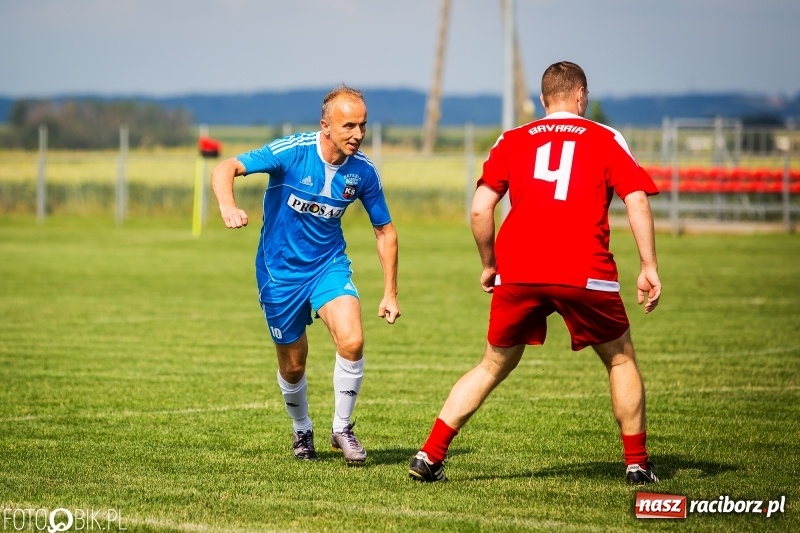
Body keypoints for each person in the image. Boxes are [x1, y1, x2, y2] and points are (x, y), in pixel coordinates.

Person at [409, 61, 661, 485]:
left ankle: (429, 455)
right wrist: (649, 266)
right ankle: (636, 464)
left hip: (519, 270)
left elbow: (479, 208)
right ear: (581, 96)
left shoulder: (511, 139)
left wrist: (490, 264)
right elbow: (636, 200)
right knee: (619, 358)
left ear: (544, 100)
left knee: (491, 365)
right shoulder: (605, 137)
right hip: (584, 268)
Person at [211, 84, 400, 465]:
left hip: (328, 266)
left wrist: (390, 292)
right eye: (349, 126)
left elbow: (385, 231)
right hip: (279, 274)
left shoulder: (363, 172)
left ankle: (342, 429)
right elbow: (225, 166)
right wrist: (228, 206)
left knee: (352, 340)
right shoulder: (292, 151)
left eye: (363, 125)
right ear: (325, 126)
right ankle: (302, 430)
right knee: (293, 364)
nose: (358, 134)